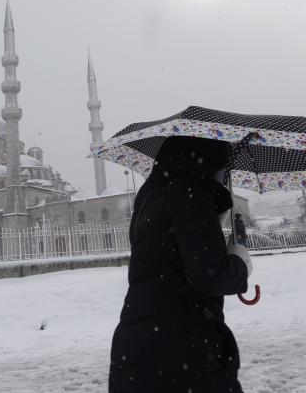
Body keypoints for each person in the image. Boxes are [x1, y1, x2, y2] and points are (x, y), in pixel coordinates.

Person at [109, 136, 254, 393]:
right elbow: (210, 276)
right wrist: (240, 263)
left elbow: (169, 256)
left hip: (138, 347)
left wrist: (213, 222)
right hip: (183, 349)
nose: (225, 175)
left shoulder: (150, 194)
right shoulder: (191, 194)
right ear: (209, 161)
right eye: (223, 166)